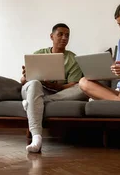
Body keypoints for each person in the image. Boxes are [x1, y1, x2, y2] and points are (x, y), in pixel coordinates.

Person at [21, 23, 87, 153]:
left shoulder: (73, 58)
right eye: (60, 34)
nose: (64, 38)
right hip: (35, 89)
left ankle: (35, 102)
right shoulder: (39, 54)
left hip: (58, 93)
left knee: (83, 88)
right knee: (34, 84)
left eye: (67, 35)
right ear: (52, 36)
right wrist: (25, 75)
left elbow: (73, 84)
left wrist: (56, 86)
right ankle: (36, 136)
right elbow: (23, 81)